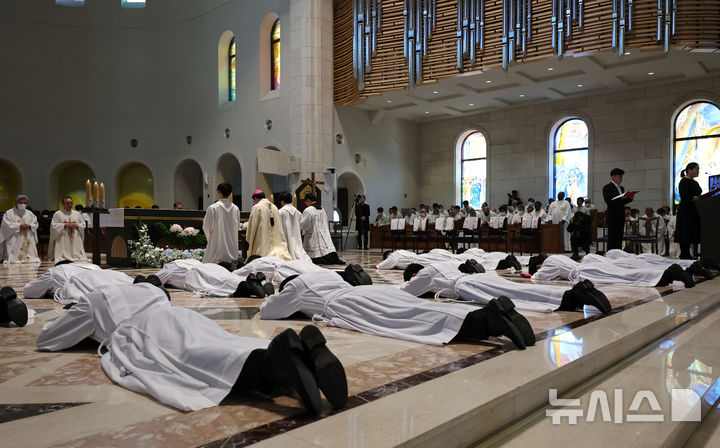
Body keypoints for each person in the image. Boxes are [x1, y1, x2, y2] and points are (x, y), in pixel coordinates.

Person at [36, 282, 347, 414]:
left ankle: (275, 363)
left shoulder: (93, 299)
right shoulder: (145, 287)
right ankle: (297, 354)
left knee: (195, 366)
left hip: (141, 329)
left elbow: (49, 339)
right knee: (218, 346)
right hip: (180, 316)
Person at [260, 270, 535, 349]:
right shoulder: (325, 273)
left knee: (413, 318)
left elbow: (269, 311)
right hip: (368, 292)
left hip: (349, 304)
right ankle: (486, 315)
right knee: (416, 306)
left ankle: (488, 321)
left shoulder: (297, 286)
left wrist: (273, 295)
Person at [401, 260, 611, 314]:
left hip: (468, 286)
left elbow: (406, 291)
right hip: (479, 278)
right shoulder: (441, 265)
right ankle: (575, 294)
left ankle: (574, 296)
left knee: (521, 296)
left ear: (414, 273)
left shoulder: (425, 273)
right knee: (522, 291)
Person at [245, 190, 291, 260]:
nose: (254, 202)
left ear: (256, 198)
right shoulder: (274, 207)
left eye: (254, 201)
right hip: (277, 246)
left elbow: (252, 226)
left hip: (262, 247)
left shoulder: (256, 207)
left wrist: (249, 237)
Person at [203, 183, 242, 265]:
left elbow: (207, 227)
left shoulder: (213, 208)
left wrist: (211, 241)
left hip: (216, 251)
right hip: (232, 250)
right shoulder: (236, 208)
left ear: (219, 193)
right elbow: (238, 227)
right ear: (230, 193)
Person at [301, 194, 344, 265]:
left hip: (313, 234)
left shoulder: (308, 210)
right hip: (324, 232)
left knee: (315, 255)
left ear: (308, 200)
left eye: (306, 202)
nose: (306, 204)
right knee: (326, 249)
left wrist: (301, 230)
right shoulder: (322, 208)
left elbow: (305, 224)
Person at [23, 261, 100, 298]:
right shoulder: (94, 266)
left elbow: (28, 290)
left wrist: (48, 291)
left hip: (87, 298)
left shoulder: (55, 271)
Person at [603, 168, 636, 250]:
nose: (621, 178)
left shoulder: (621, 188)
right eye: (619, 176)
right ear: (613, 177)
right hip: (612, 216)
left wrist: (629, 198)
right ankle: (611, 256)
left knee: (619, 238)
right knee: (612, 238)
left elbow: (622, 202)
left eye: (622, 176)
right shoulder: (607, 187)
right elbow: (609, 202)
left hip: (620, 215)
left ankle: (618, 255)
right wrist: (621, 199)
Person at [0, 195, 40, 264]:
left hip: (27, 235)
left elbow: (35, 223)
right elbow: (6, 225)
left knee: (30, 257)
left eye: (25, 203)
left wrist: (29, 226)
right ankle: (14, 258)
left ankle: (28, 257)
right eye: (21, 203)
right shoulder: (9, 213)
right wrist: (19, 226)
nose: (23, 204)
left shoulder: (29, 213)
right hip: (14, 236)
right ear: (16, 202)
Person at [675, 162, 702, 259]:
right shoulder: (683, 182)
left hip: (694, 210)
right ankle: (685, 254)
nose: (698, 171)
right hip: (686, 210)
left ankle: (692, 254)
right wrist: (693, 198)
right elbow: (685, 196)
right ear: (689, 170)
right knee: (685, 231)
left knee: (692, 231)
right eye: (697, 169)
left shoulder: (695, 182)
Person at [48, 196, 87, 263]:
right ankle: (63, 256)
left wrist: (76, 225)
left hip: (75, 235)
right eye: (67, 203)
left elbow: (83, 224)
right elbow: (53, 226)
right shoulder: (58, 214)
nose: (70, 205)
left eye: (71, 203)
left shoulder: (77, 213)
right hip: (63, 235)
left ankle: (75, 255)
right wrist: (65, 225)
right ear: (63, 204)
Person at [277, 191, 311, 261]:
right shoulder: (298, 212)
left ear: (282, 201)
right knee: (298, 252)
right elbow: (302, 225)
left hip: (285, 238)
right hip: (297, 238)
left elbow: (277, 226)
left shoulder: (280, 212)